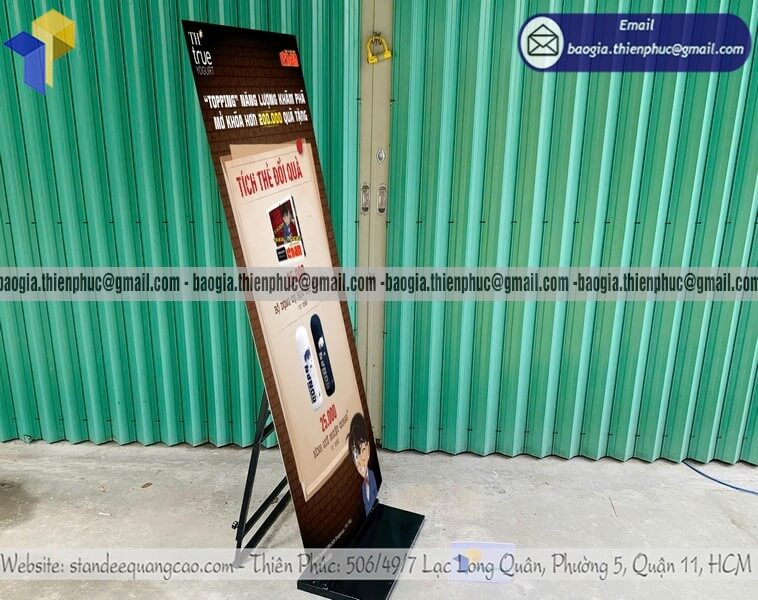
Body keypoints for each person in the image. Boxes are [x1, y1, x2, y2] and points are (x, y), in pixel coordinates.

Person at [349, 413, 377, 515]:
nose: (359, 461)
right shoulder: (361, 487)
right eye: (355, 456)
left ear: (368, 448)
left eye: (362, 450)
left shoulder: (373, 477)